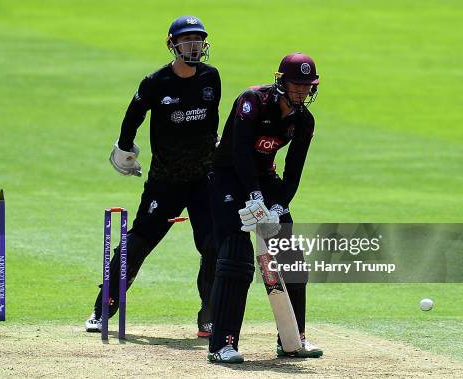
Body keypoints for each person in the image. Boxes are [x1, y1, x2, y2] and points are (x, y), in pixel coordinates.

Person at [85, 15, 221, 337]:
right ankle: (103, 310)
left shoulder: (211, 77)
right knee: (137, 243)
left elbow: (212, 121)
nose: (193, 45)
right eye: (186, 40)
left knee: (214, 246)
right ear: (172, 44)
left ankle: (209, 316)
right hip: (166, 182)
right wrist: (123, 146)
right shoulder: (156, 82)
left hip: (204, 180)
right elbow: (133, 115)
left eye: (198, 39)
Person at [207, 53, 323, 362]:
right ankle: (222, 344)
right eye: (295, 85)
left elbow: (294, 171)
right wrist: (255, 197)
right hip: (228, 177)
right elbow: (240, 152)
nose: (300, 92)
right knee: (236, 256)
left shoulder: (304, 121)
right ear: (281, 81)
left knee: (290, 256)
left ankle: (292, 339)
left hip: (265, 178)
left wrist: (277, 205)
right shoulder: (253, 101)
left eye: (306, 86)